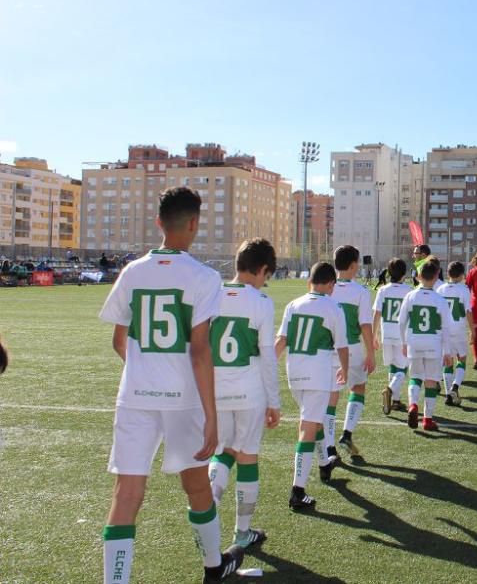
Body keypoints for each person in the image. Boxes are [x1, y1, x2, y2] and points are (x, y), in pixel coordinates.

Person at [97, 186, 244, 584]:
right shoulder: (203, 276)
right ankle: (214, 567)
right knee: (196, 486)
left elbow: (117, 341)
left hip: (135, 397)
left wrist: (147, 369)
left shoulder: (132, 271)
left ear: (159, 222)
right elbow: (200, 351)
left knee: (126, 496)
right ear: (195, 224)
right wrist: (212, 416)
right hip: (183, 400)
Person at [206, 238, 280, 550]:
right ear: (263, 269)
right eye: (267, 275)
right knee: (247, 456)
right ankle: (242, 532)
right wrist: (274, 401)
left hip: (215, 389)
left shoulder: (210, 295)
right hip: (249, 392)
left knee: (222, 450)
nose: (266, 281)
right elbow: (267, 355)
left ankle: (206, 508)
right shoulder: (261, 302)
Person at [275, 262, 349, 510]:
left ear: (311, 281)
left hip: (294, 372)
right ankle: (297, 490)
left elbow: (281, 339)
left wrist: (265, 366)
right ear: (330, 284)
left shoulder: (293, 304)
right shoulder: (333, 306)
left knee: (313, 421)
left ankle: (325, 463)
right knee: (307, 427)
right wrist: (345, 369)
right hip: (317, 374)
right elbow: (342, 345)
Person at [398, 261, 457, 431]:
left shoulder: (410, 296)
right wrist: (448, 352)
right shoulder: (440, 299)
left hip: (414, 342)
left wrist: (403, 342)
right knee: (431, 380)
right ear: (437, 275)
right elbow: (446, 328)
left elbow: (401, 323)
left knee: (415, 377)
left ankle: (413, 405)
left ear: (418, 276)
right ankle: (428, 419)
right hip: (433, 344)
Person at [331, 245, 376, 458]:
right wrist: (371, 353)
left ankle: (329, 447)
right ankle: (347, 433)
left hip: (327, 349)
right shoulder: (360, 291)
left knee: (330, 397)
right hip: (351, 347)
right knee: (357, 387)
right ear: (353, 265)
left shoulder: (325, 287)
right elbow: (365, 325)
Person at [374, 258, 413, 415]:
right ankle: (390, 390)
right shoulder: (409, 290)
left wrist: (374, 334)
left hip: (387, 333)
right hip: (402, 334)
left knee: (392, 366)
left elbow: (376, 314)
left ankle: (395, 401)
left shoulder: (383, 290)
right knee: (402, 368)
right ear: (404, 274)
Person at [438, 261, 473, 406]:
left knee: (447, 362)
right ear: (461, 275)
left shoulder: (440, 289)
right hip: (458, 329)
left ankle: (448, 394)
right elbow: (468, 311)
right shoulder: (464, 290)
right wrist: (473, 330)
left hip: (444, 329)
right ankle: (455, 386)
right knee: (461, 359)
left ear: (448, 273)